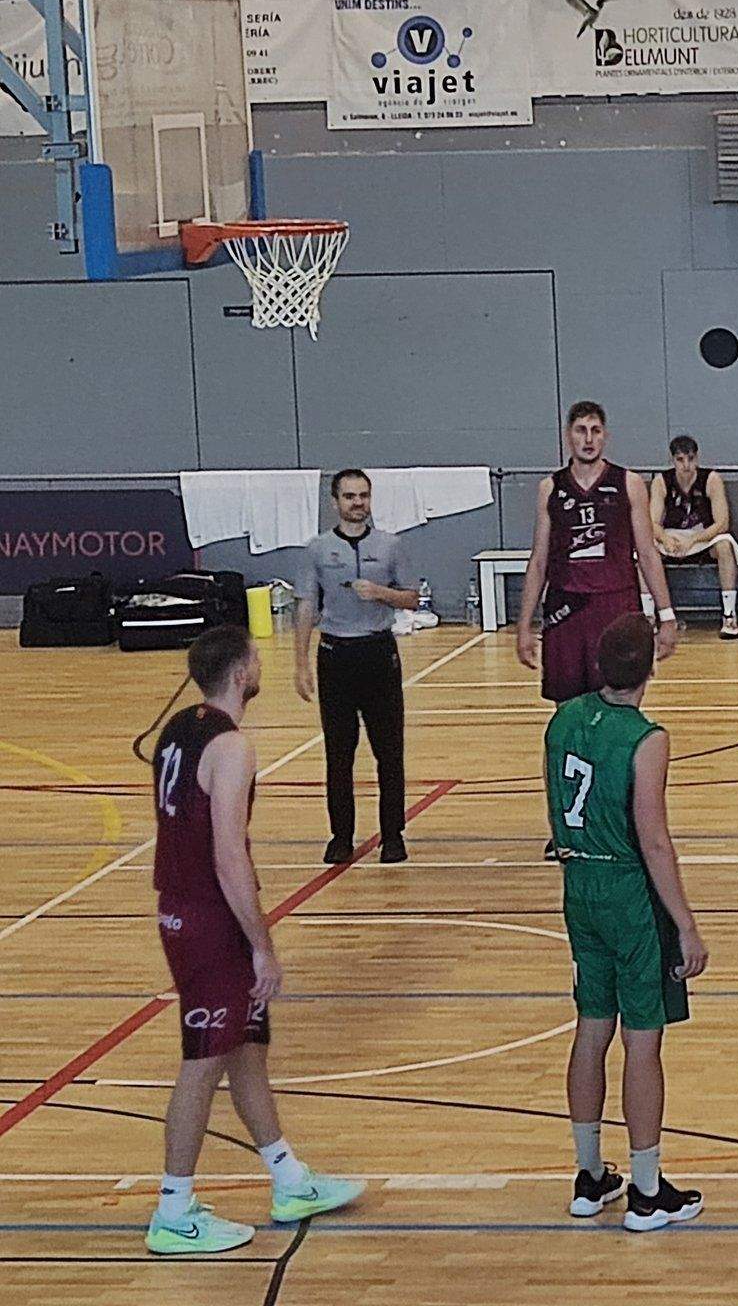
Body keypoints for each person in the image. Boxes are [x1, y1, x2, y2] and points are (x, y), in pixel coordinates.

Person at [145, 626, 364, 1254]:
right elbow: (226, 857)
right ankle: (173, 1208)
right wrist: (262, 943)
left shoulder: (177, 730)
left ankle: (289, 1178)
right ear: (242, 674)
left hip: (189, 908)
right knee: (203, 1061)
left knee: (247, 1045)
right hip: (206, 917)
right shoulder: (232, 746)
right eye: (258, 658)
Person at [547, 615, 711, 1231]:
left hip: (577, 881)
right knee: (644, 1036)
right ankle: (646, 1192)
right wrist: (686, 925)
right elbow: (656, 842)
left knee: (592, 1024)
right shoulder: (647, 738)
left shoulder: (563, 719)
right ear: (650, 667)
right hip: (625, 888)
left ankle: (589, 1176)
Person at [293, 469, 419, 866]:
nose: (357, 503)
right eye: (349, 496)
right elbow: (306, 606)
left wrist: (381, 593)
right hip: (335, 657)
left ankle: (393, 836)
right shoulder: (317, 549)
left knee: (389, 752)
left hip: (379, 655)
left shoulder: (391, 545)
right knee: (339, 753)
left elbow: (413, 599)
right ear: (335, 502)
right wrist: (299, 664)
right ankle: (341, 836)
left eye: (363, 495)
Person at [516, 401, 678, 701]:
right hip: (565, 610)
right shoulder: (550, 488)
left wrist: (666, 616)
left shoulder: (628, 483)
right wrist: (524, 625)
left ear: (605, 436)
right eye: (581, 431)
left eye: (595, 431)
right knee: (568, 712)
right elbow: (539, 562)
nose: (588, 439)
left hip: (616, 606)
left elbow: (647, 554)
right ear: (568, 436)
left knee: (620, 708)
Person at [651, 434, 738, 641]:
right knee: (644, 550)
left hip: (702, 537)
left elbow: (722, 523)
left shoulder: (711, 479)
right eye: (680, 460)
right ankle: (650, 616)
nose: (686, 465)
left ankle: (729, 615)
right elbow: (652, 523)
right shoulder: (661, 481)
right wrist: (665, 539)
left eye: (691, 459)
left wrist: (694, 540)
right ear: (672, 460)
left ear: (697, 458)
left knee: (724, 545)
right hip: (673, 537)